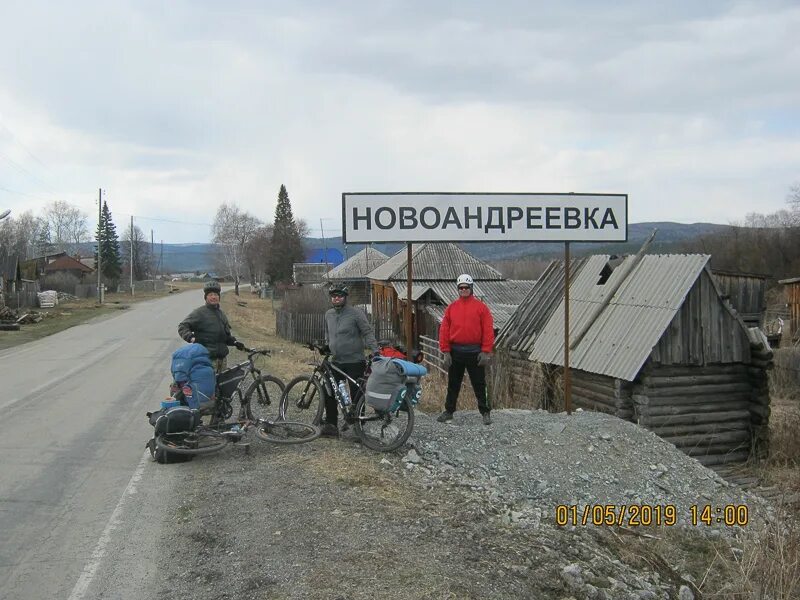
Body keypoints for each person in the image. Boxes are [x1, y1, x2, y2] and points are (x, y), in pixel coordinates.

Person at [322, 283, 379, 437]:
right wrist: (327, 346)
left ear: (345, 297)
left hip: (355, 361)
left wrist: (375, 351)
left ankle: (358, 427)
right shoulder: (328, 314)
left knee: (357, 394)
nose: (336, 298)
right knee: (329, 390)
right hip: (336, 361)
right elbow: (328, 333)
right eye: (334, 296)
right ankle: (331, 424)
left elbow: (367, 332)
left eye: (339, 296)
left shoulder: (355, 313)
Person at [437, 274, 495, 425]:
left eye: (466, 287)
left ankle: (485, 412)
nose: (463, 290)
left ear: (471, 288)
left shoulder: (481, 308)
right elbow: (444, 330)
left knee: (479, 384)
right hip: (456, 352)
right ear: (458, 289)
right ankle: (449, 411)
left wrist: (485, 351)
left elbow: (488, 330)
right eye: (461, 288)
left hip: (475, 353)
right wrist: (446, 351)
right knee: (453, 384)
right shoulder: (451, 308)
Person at [178, 280, 245, 373]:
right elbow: (182, 326)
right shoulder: (199, 313)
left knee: (222, 386)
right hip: (206, 360)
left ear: (219, 297)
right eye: (210, 295)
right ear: (205, 297)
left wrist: (234, 342)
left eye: (216, 294)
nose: (213, 297)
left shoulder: (222, 314)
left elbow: (224, 337)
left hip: (222, 361)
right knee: (208, 387)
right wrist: (192, 338)